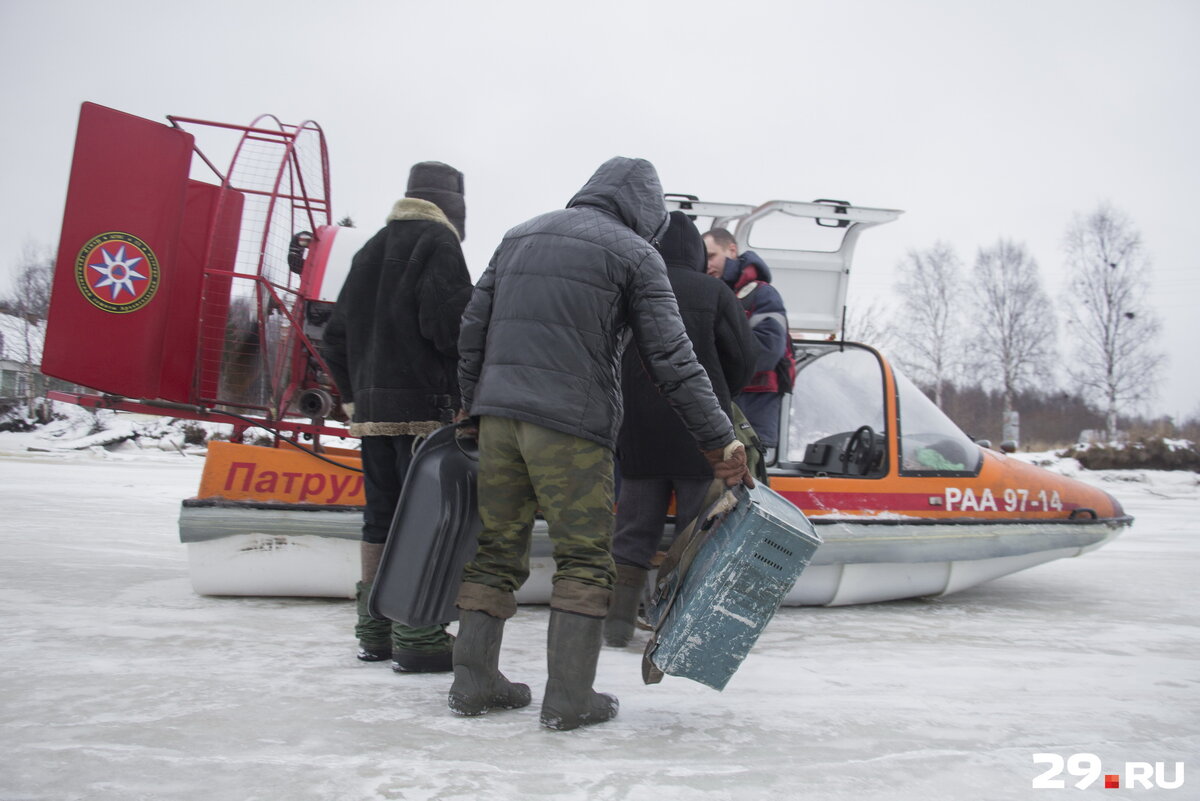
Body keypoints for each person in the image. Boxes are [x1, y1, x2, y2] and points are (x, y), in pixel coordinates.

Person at [452, 157, 754, 731]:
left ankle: (473, 681)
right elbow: (672, 359)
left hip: (497, 418)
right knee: (585, 557)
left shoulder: (519, 235)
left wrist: (471, 406)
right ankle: (570, 697)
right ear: (647, 212)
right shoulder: (636, 254)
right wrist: (720, 441)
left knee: (495, 549)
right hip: (570, 425)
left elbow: (473, 326)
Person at [322, 161, 473, 673]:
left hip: (371, 416)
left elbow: (334, 336)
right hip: (424, 416)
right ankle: (419, 632)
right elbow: (450, 328)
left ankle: (375, 630)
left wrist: (352, 398)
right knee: (424, 518)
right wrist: (464, 392)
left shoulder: (369, 250)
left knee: (380, 517)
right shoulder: (438, 243)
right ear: (455, 207)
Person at [605, 211, 755, 648]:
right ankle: (680, 629)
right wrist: (720, 390)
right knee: (697, 533)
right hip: (701, 437)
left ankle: (614, 627)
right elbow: (746, 359)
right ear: (693, 250)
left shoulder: (630, 289)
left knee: (632, 533)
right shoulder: (714, 292)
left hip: (637, 435)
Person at [704, 228, 792, 452]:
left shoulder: (762, 295)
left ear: (732, 250)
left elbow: (769, 349)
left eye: (712, 256)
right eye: (703, 258)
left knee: (751, 483)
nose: (707, 264)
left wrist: (714, 359)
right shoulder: (715, 294)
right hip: (726, 414)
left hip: (753, 417)